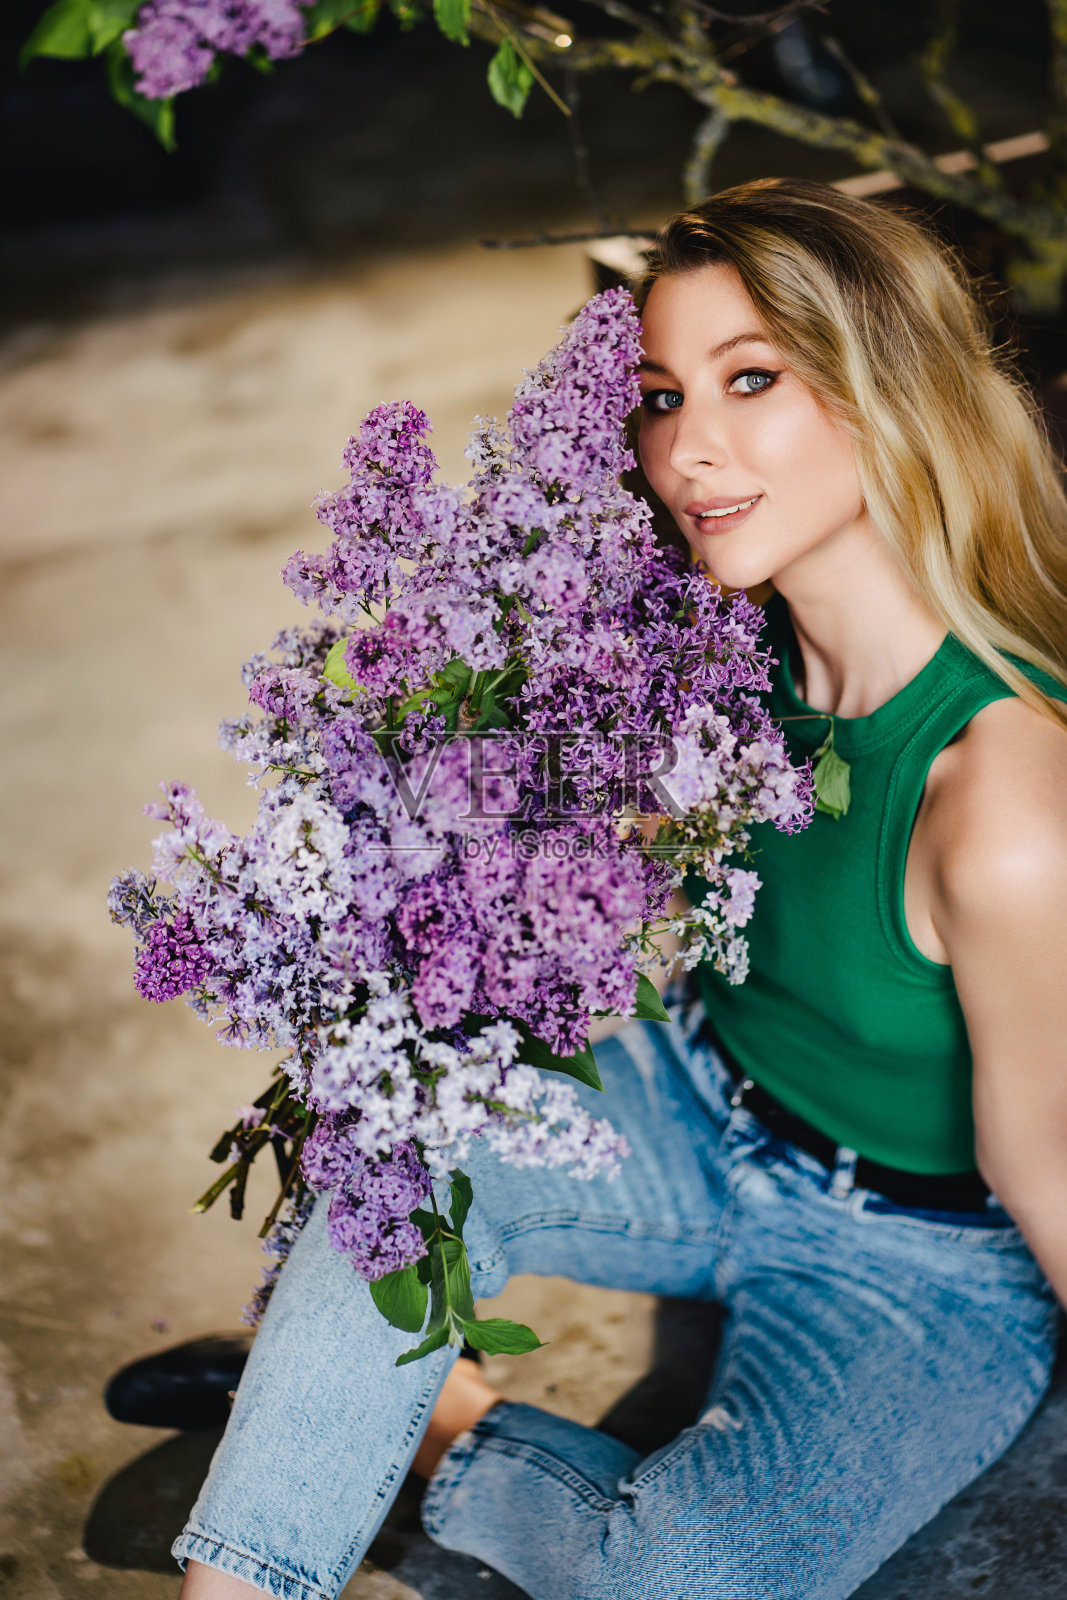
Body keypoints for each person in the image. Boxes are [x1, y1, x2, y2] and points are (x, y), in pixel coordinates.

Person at [174, 177, 1067, 1600]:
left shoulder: (1002, 797)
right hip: (698, 1110)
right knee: (389, 1156)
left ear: (890, 389)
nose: (687, 449)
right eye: (659, 397)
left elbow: (1051, 1168)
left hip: (919, 1265)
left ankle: (410, 1424)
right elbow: (529, 827)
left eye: (751, 380)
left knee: (684, 1575)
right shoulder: (709, 653)